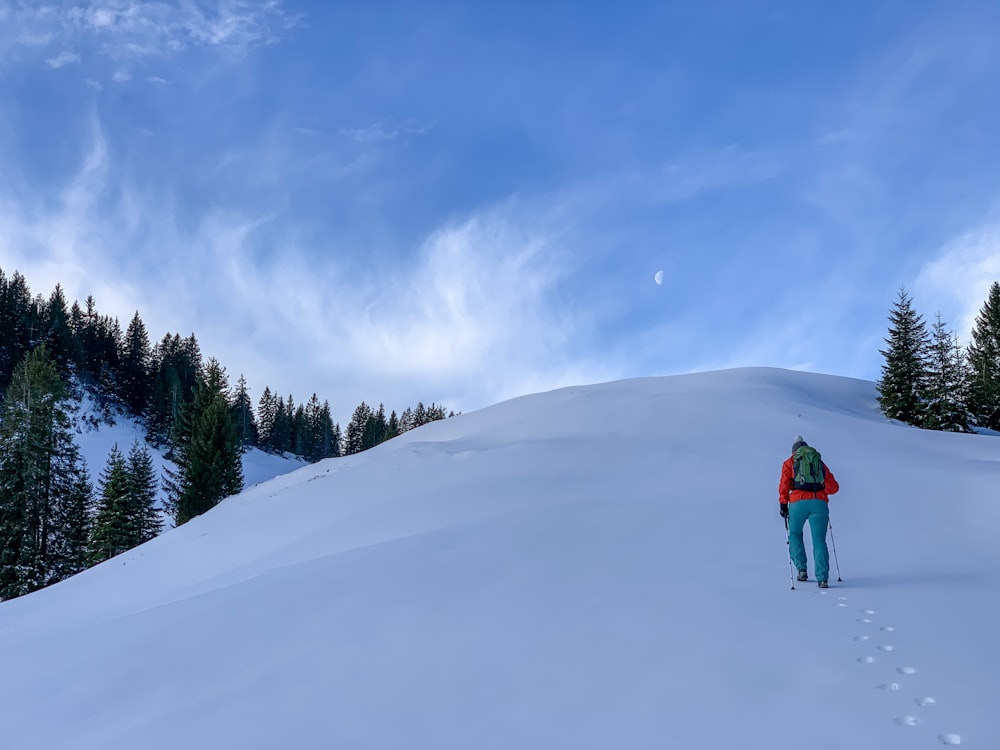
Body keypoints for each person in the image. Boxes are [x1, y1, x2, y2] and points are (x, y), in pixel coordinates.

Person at [778, 435, 840, 587]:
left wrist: (783, 504)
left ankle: (802, 569)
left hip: (797, 503)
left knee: (795, 534)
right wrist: (819, 489)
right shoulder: (819, 463)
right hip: (819, 503)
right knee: (819, 541)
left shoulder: (789, 463)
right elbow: (834, 487)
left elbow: (784, 485)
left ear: (794, 451)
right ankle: (823, 578)